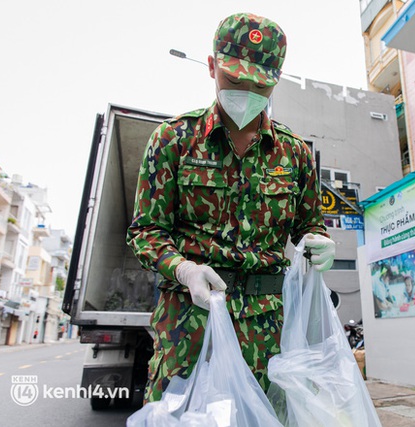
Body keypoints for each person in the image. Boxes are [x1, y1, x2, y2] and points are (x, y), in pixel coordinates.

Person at [126, 12, 336, 403]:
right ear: (211, 67)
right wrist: (184, 269)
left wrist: (318, 242)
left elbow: (309, 225)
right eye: (235, 79)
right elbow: (146, 232)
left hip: (268, 329)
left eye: (260, 85)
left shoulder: (294, 154)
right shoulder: (173, 140)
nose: (247, 92)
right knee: (179, 414)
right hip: (189, 323)